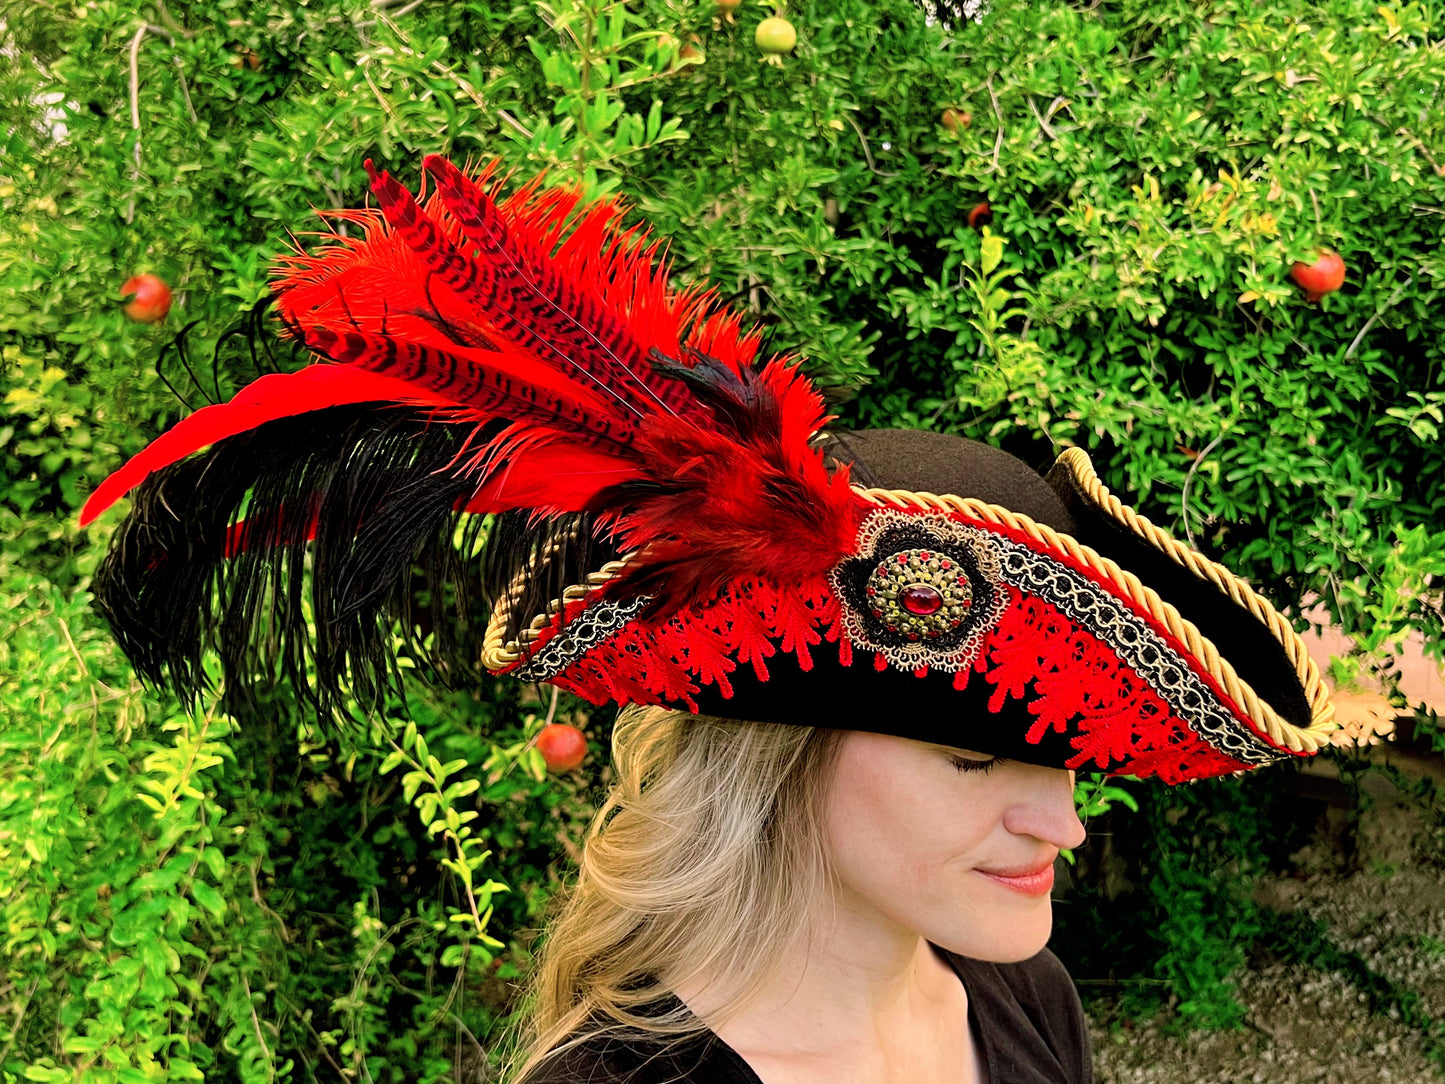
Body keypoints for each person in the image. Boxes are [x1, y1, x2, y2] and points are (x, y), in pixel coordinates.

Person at [80, 156, 1339, 1084]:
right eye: (972, 757)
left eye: (1053, 750)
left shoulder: (1019, 999)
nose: (1059, 816)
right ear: (779, 751)